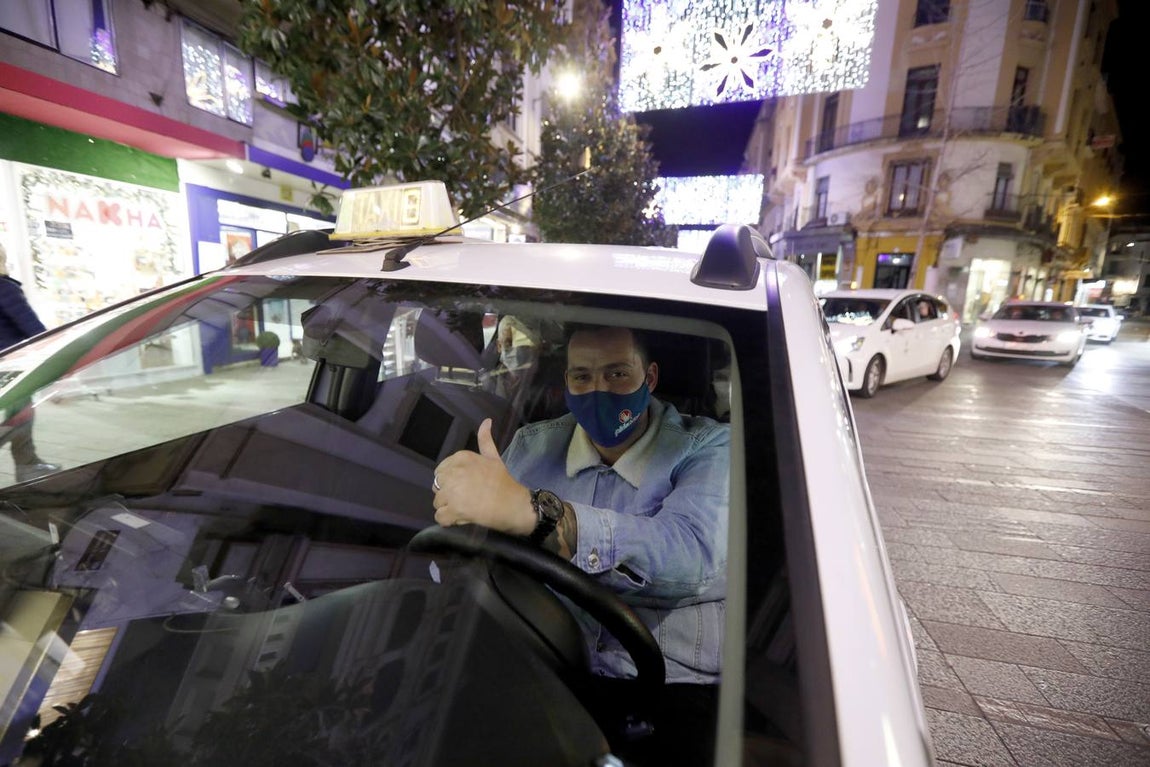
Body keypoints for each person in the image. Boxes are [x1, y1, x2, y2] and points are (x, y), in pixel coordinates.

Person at [432, 324, 729, 679]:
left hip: (666, 686)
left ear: (649, 378)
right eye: (582, 377)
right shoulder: (531, 447)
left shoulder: (709, 446)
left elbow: (691, 554)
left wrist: (536, 515)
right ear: (567, 382)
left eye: (617, 373)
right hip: (541, 669)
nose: (599, 391)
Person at [0, 245, 61, 482]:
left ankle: (29, 464)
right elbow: (34, 330)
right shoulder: (5, 289)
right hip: (10, 367)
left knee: (20, 415)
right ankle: (28, 465)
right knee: (18, 418)